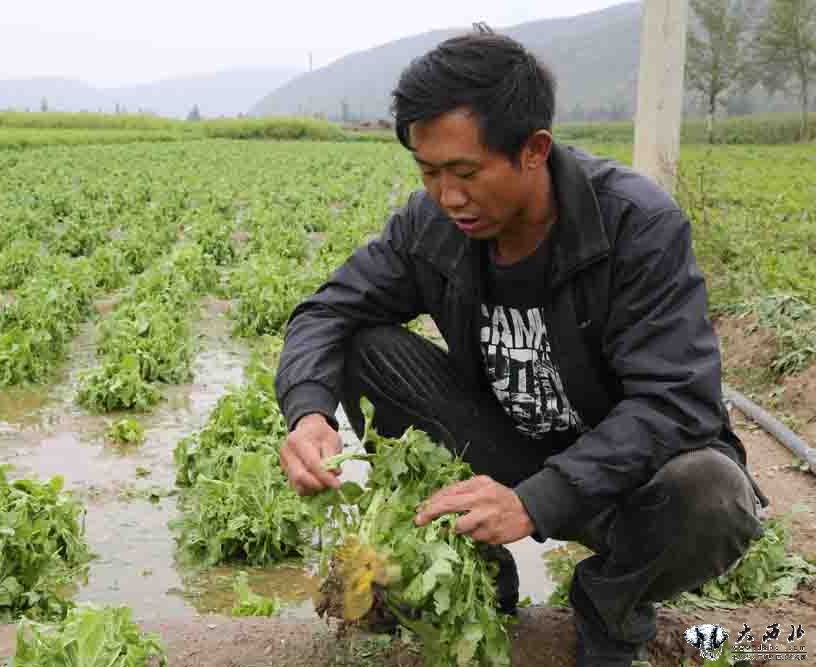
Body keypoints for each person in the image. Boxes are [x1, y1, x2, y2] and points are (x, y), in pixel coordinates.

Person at [275, 28, 767, 667]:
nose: (448, 197)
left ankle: (611, 607)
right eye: (429, 172)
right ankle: (478, 569)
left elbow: (676, 403)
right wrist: (308, 412)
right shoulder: (432, 225)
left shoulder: (634, 225)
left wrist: (538, 500)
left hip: (617, 478)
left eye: (466, 172)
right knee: (361, 342)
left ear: (534, 150)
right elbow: (326, 310)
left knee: (713, 493)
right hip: (501, 448)